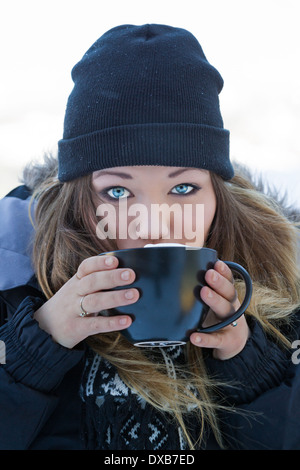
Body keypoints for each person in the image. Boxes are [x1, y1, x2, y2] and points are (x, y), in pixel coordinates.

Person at [0, 23, 300, 451]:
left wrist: (251, 364)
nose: (153, 224)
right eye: (118, 192)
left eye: (183, 189)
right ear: (78, 200)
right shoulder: (12, 285)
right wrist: (33, 348)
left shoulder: (285, 289)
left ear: (218, 195)